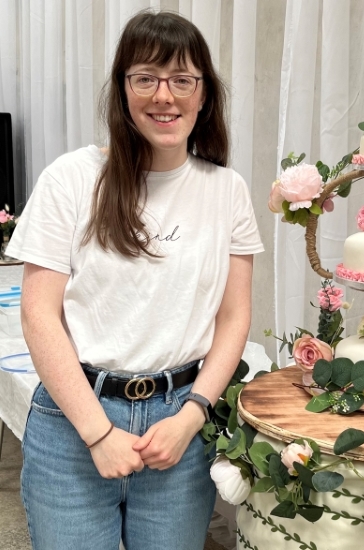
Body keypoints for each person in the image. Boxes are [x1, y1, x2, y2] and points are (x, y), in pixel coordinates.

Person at [7, 10, 263, 550]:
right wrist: (97, 431)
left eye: (181, 80)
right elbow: (39, 314)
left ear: (204, 95)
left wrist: (194, 415)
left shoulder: (227, 190)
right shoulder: (72, 178)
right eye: (145, 77)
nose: (163, 96)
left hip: (178, 422)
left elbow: (234, 316)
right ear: (123, 89)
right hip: (73, 418)